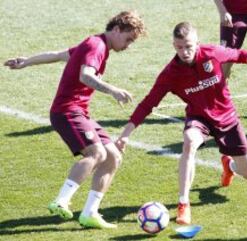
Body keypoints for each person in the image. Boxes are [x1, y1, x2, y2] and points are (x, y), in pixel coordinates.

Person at [4, 11, 145, 228]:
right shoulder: (97, 46)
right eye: (128, 39)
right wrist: (113, 90)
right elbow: (85, 76)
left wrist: (27, 61)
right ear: (117, 30)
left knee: (113, 156)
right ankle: (61, 200)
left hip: (79, 112)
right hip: (66, 111)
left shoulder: (96, 44)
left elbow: (60, 55)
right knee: (96, 153)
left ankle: (89, 213)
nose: (128, 46)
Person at [116, 22, 247, 225]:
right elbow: (148, 104)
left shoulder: (213, 53)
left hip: (227, 118)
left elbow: (240, 54)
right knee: (189, 142)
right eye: (179, 47)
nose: (184, 52)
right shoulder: (170, 73)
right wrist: (126, 133)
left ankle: (228, 165)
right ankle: (183, 204)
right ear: (173, 45)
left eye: (188, 46)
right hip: (199, 117)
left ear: (197, 43)